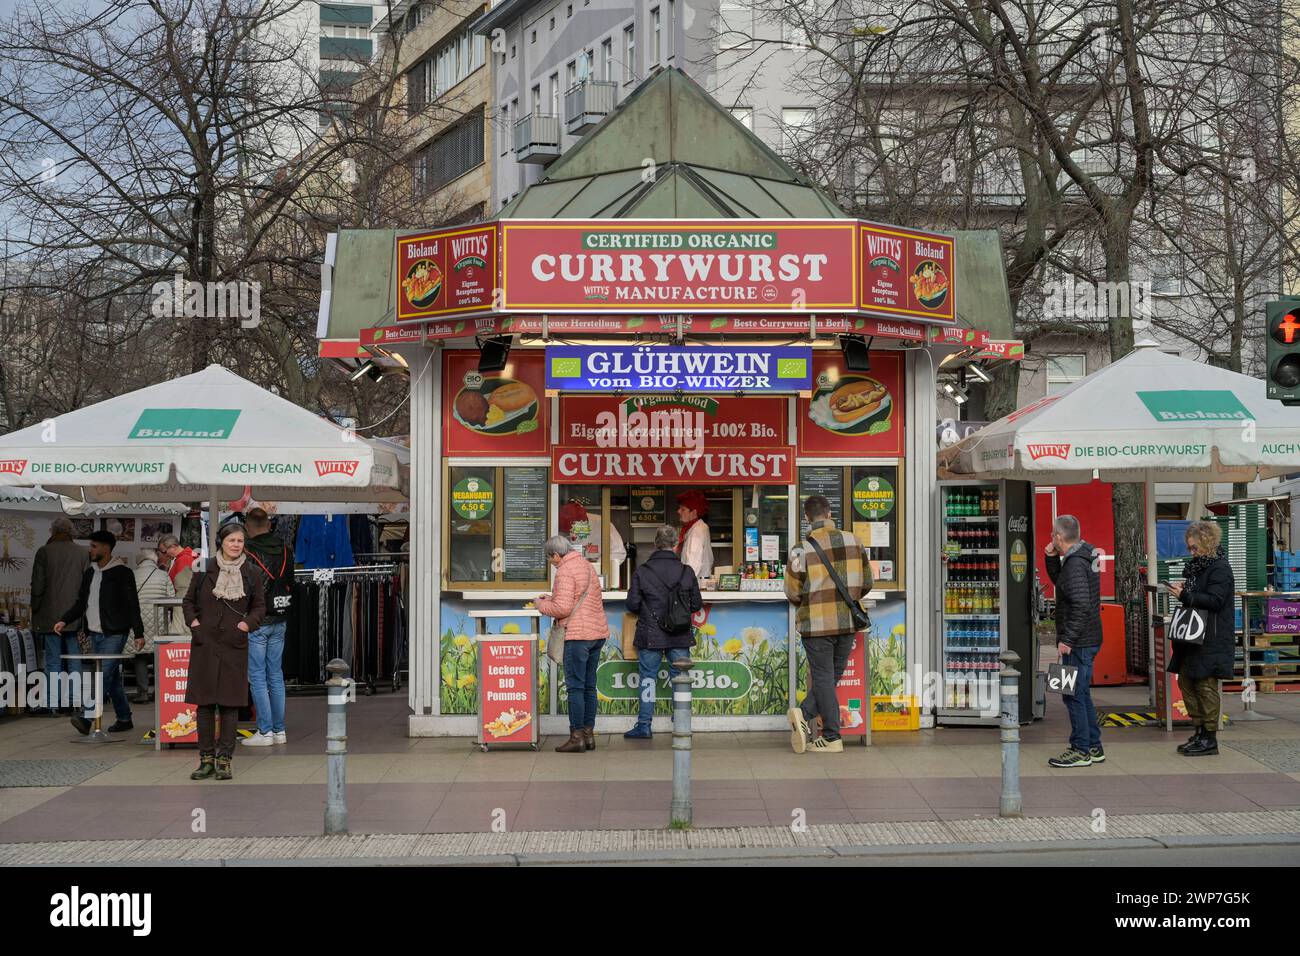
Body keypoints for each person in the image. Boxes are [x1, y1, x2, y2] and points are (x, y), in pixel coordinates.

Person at [784, 495, 872, 754]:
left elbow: (792, 592)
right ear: (830, 512)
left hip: (816, 626)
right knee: (831, 676)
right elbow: (867, 583)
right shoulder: (854, 541)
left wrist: (812, 601)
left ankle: (832, 736)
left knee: (823, 677)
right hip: (847, 623)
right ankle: (804, 713)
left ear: (807, 517)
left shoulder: (800, 549)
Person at [183, 522, 266, 780]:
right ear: (221, 542)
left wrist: (245, 626)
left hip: (234, 644)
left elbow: (260, 607)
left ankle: (224, 759)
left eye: (240, 541)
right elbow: (188, 601)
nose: (235, 545)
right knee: (205, 704)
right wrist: (195, 624)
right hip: (205, 644)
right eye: (231, 540)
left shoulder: (251, 572)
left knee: (230, 705)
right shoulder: (204, 569)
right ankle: (205, 759)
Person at [55, 531, 145, 735]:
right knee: (111, 678)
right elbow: (81, 603)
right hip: (94, 633)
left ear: (106, 548)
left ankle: (87, 717)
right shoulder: (90, 573)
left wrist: (138, 632)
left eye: (94, 546)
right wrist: (64, 619)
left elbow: (132, 604)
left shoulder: (122, 572)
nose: (90, 549)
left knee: (102, 675)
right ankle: (124, 718)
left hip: (115, 632)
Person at [623, 525, 702, 739]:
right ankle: (682, 724)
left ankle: (644, 725)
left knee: (648, 678)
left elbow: (632, 604)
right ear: (676, 544)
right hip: (680, 634)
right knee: (681, 678)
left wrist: (650, 612)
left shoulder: (642, 571)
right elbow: (696, 604)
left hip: (650, 634)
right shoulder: (687, 571)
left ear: (655, 544)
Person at [536, 534, 608, 754]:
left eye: (551, 558)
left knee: (575, 687)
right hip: (596, 633)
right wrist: (552, 599)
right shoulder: (586, 566)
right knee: (588, 686)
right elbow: (577, 599)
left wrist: (540, 604)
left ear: (556, 555)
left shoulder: (565, 571)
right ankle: (588, 735)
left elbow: (563, 609)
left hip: (577, 636)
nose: (551, 563)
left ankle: (576, 736)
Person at [1169, 520, 1235, 757]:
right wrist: (1184, 591)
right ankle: (1199, 731)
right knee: (1186, 681)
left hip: (1211, 636)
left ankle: (1209, 736)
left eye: (1194, 548)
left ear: (1207, 544)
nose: (1191, 552)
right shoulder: (1198, 568)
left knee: (1205, 685)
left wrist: (1186, 595)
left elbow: (1216, 601)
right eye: (1189, 548)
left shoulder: (1219, 568)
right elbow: (1199, 596)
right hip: (1193, 634)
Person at [1044, 514, 1104, 768]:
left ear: (1059, 537)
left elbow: (1080, 604)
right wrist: (1050, 557)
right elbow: (1063, 583)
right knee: (1081, 693)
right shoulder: (1079, 558)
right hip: (1087, 637)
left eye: (1052, 536)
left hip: (1079, 640)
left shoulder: (1076, 563)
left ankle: (1081, 749)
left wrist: (1067, 639)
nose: (1051, 539)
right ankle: (1093, 745)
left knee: (1073, 695)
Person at [241, 507, 295, 747]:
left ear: (249, 527)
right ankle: (279, 730)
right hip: (280, 617)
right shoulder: (285, 550)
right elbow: (291, 582)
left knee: (257, 676)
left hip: (257, 620)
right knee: (276, 675)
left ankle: (264, 731)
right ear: (270, 525)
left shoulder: (248, 550)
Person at [30, 517, 88, 716]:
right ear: (71, 532)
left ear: (53, 531)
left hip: (49, 615)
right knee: (74, 659)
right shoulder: (82, 553)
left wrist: (35, 609)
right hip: (75, 615)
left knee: (52, 661)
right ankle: (74, 702)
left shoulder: (44, 552)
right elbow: (87, 586)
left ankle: (52, 703)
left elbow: (38, 586)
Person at [132, 548, 177, 704]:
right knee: (159, 656)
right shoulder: (163, 575)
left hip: (137, 621)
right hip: (159, 620)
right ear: (154, 560)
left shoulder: (132, 574)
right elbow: (172, 599)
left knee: (140, 657)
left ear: (139, 561)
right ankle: (160, 691)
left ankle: (142, 692)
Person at [158, 534, 196, 633]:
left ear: (173, 547)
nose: (164, 555)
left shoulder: (184, 560)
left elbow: (184, 587)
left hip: (182, 606)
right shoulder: (185, 557)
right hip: (184, 605)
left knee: (181, 634)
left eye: (164, 551)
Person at [675, 489, 713, 582]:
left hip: (695, 584)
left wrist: (684, 584)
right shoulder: (693, 528)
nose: (678, 511)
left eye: (683, 509)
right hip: (695, 583)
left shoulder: (697, 530)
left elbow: (693, 563)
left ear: (694, 512)